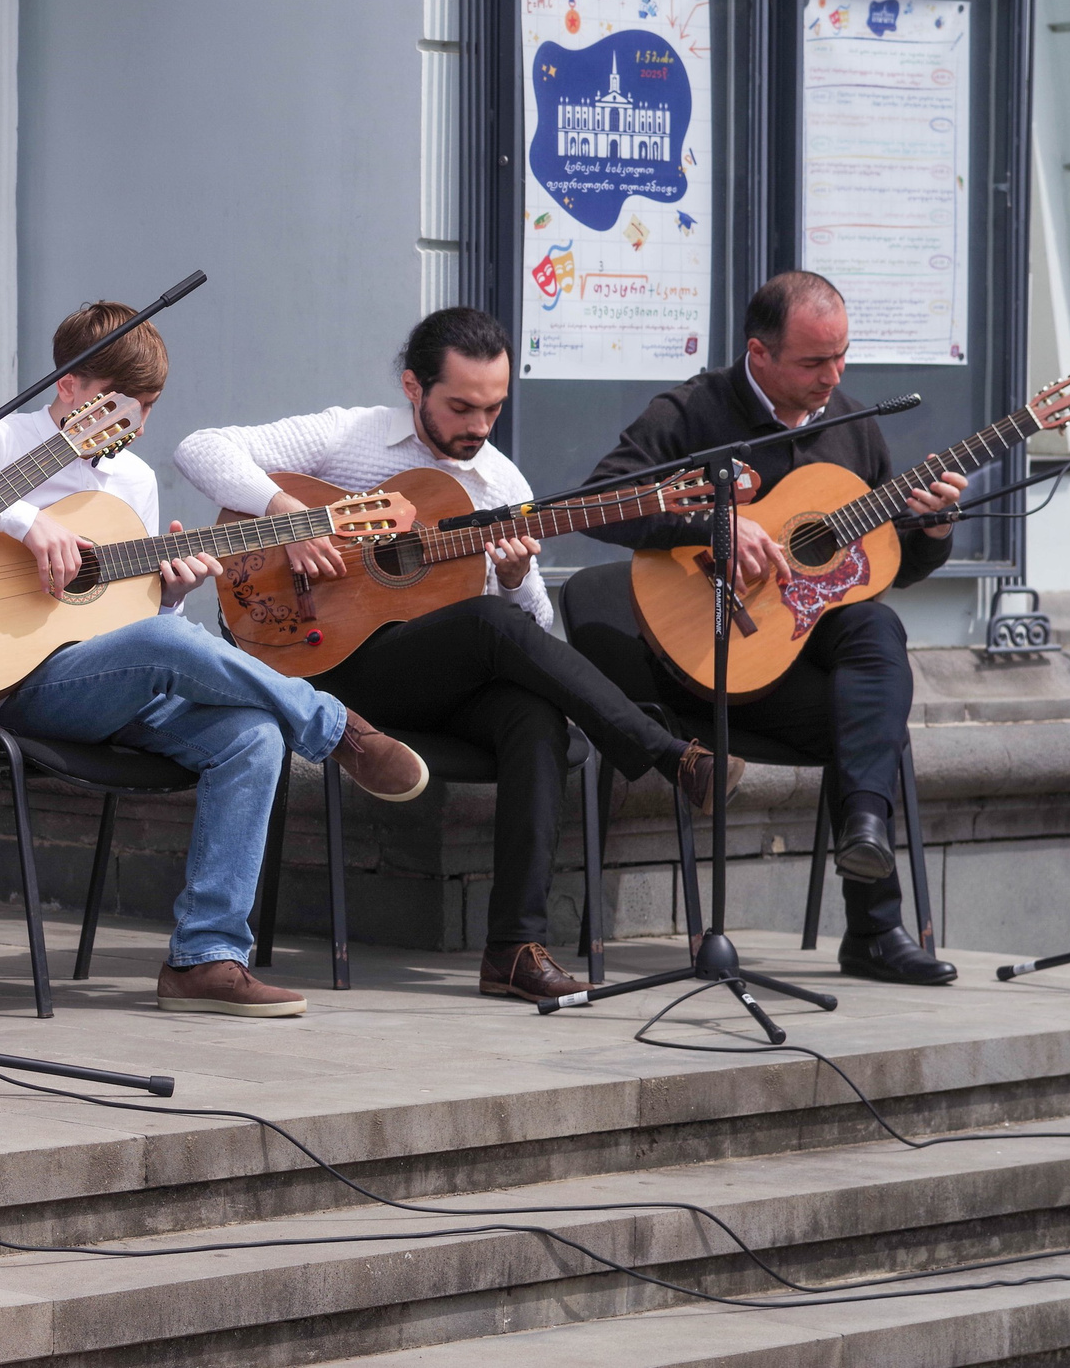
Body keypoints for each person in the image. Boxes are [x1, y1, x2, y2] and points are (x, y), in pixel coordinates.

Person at [173, 307, 734, 1002]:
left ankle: (514, 949)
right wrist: (294, 516)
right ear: (414, 386)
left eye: (493, 408)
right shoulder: (352, 437)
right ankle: (664, 751)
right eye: (461, 405)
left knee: (534, 714)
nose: (478, 425)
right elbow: (200, 447)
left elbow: (533, 631)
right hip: (329, 668)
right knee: (487, 626)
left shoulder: (503, 486)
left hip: (429, 676)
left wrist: (510, 575)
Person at [0, 305, 427, 1015]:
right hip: (13, 680)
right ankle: (339, 730)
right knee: (169, 646)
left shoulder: (134, 482)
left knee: (253, 733)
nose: (138, 427)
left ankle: (206, 956)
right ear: (69, 387)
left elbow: (137, 625)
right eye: (123, 407)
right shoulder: (8, 441)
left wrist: (173, 596)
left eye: (149, 409)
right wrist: (29, 523)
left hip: (117, 684)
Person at [582, 271, 961, 986]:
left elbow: (885, 567)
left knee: (876, 629)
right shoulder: (693, 410)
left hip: (802, 657)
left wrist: (933, 531)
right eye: (814, 362)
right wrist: (712, 524)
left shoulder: (849, 420)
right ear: (759, 354)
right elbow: (601, 499)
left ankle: (865, 844)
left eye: (843, 356)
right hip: (709, 657)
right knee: (874, 729)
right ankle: (876, 927)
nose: (834, 376)